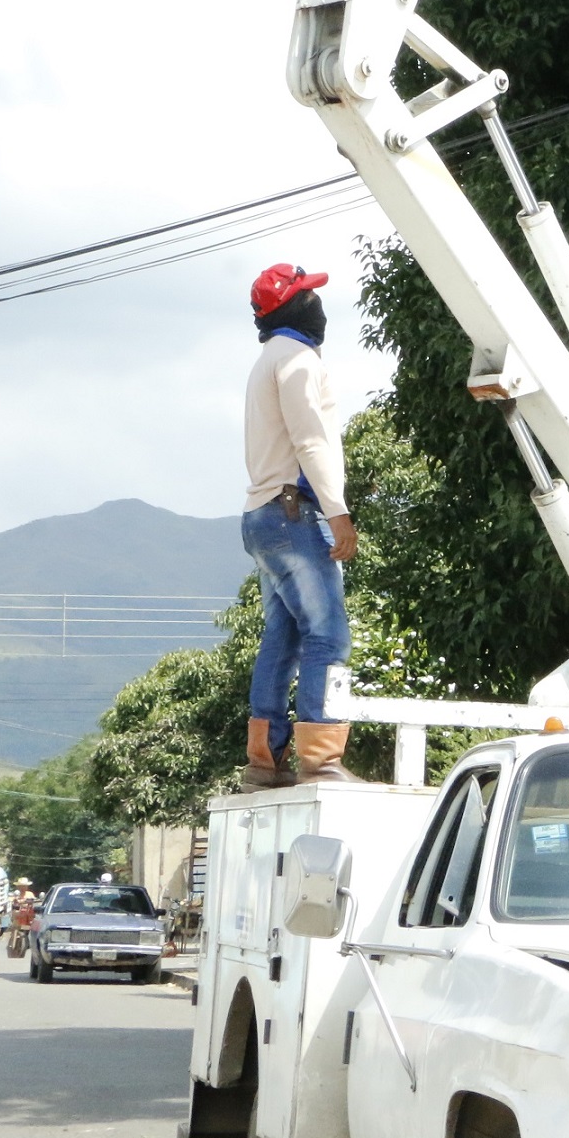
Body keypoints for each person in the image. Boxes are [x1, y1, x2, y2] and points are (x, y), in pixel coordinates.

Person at [242, 262, 358, 789]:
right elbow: (311, 439)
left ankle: (264, 762)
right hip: (294, 513)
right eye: (309, 297)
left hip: (262, 515)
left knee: (283, 636)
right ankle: (322, 759)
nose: (318, 306)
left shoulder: (267, 359)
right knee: (329, 637)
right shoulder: (298, 360)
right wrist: (339, 513)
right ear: (292, 308)